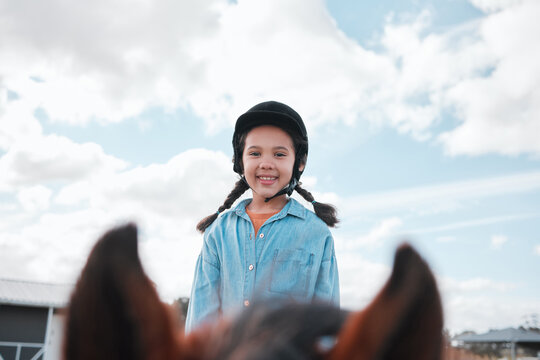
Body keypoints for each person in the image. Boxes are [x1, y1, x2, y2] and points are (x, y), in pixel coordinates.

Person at [185, 100, 340, 332]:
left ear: (299, 162)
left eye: (279, 154)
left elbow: (327, 323)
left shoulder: (317, 234)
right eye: (255, 153)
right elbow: (200, 322)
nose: (266, 164)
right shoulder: (218, 233)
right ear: (240, 160)